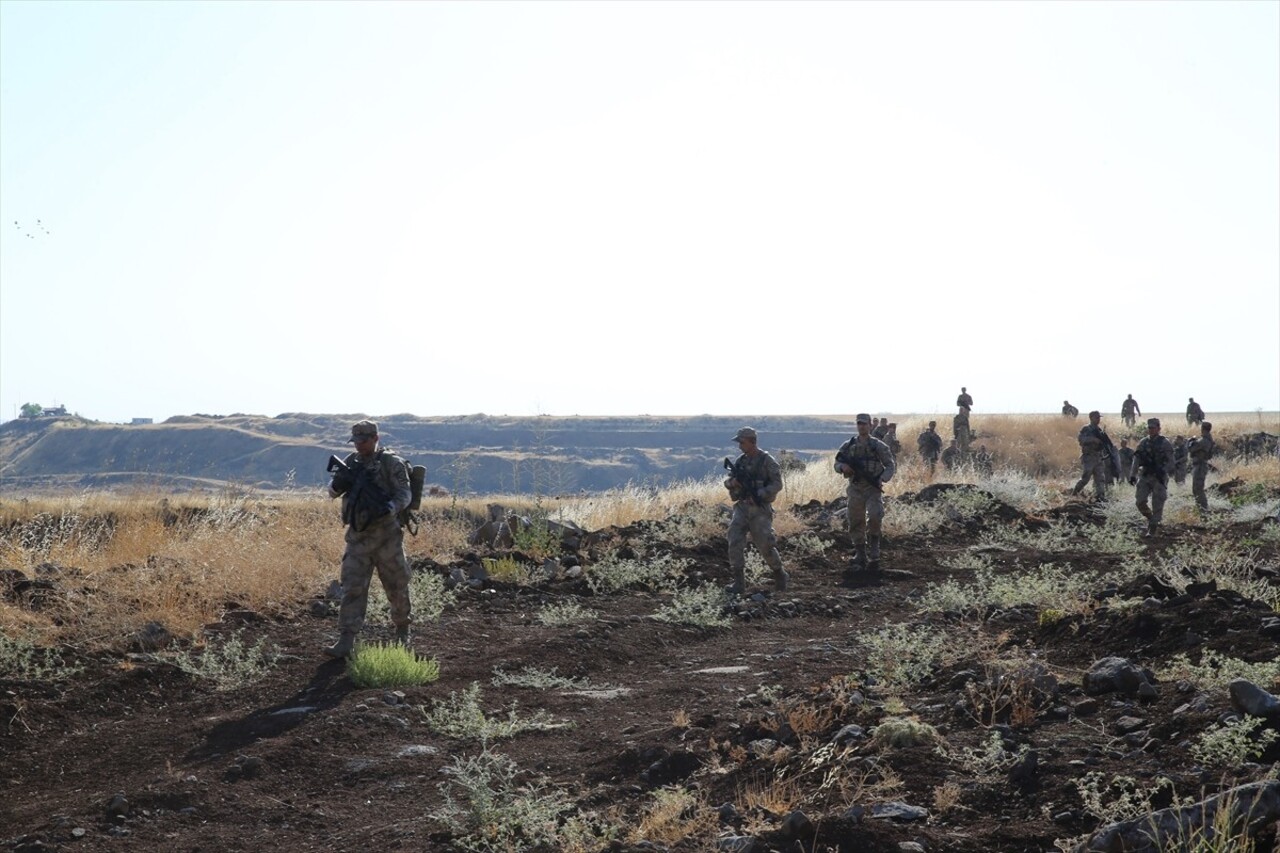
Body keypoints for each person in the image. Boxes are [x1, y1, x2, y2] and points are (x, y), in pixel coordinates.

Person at [324, 420, 414, 658]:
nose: (359, 446)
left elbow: (405, 494)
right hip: (358, 537)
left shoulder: (391, 464)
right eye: (355, 441)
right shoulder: (351, 463)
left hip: (387, 537)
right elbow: (331, 493)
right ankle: (346, 639)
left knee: (396, 585)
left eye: (363, 441)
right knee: (352, 586)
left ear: (376, 438)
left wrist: (390, 508)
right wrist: (338, 484)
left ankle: (402, 630)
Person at [724, 427, 787, 595]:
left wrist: (760, 494)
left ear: (753, 442)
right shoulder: (741, 461)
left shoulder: (767, 461)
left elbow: (777, 484)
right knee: (734, 539)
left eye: (742, 442)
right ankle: (739, 582)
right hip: (742, 507)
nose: (739, 446)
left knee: (765, 544)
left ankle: (779, 573)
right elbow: (729, 481)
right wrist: (733, 483)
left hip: (759, 509)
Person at [835, 414, 896, 573]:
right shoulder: (849, 445)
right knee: (855, 520)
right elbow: (837, 462)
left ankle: (874, 548)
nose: (861, 426)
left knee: (875, 515)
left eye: (864, 424)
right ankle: (860, 552)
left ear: (870, 425)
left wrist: (882, 479)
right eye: (859, 424)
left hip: (872, 488)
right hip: (855, 487)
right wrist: (843, 468)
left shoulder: (878, 446)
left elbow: (890, 465)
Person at [1128, 418, 1175, 536]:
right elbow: (1136, 459)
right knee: (1140, 501)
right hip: (1145, 474)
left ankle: (1153, 527)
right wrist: (1132, 475)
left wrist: (1163, 471)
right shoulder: (1143, 442)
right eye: (1149, 428)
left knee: (1157, 503)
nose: (1151, 430)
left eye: (1153, 428)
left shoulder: (1165, 443)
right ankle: (1151, 519)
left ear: (1159, 429)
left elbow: (1171, 462)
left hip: (1158, 477)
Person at [1072, 410, 1114, 500]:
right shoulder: (1086, 429)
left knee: (1100, 479)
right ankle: (1075, 493)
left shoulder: (1099, 430)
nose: (1098, 419)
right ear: (1091, 418)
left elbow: (1105, 444)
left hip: (1098, 457)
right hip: (1088, 457)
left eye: (1099, 417)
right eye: (1097, 417)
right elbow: (1081, 440)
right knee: (1085, 478)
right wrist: (1093, 439)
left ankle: (1100, 497)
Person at [1188, 421, 1216, 512]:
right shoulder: (1207, 439)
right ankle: (1201, 509)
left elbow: (1191, 449)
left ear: (1203, 429)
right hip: (1200, 465)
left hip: (1200, 466)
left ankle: (1203, 510)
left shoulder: (1204, 440)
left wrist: (1191, 442)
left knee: (1198, 489)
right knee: (1197, 489)